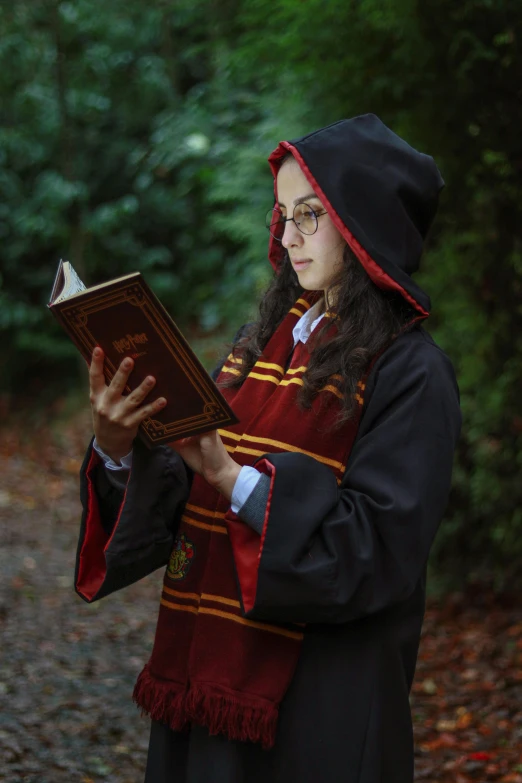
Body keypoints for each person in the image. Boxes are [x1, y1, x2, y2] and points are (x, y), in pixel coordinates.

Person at [75, 114, 461, 783]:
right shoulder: (260, 345)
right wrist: (116, 445)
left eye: (309, 214)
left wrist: (233, 476)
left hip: (315, 706)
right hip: (204, 686)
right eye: (281, 216)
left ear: (363, 221)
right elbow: (186, 489)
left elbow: (375, 550)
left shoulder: (412, 371)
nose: (287, 236)